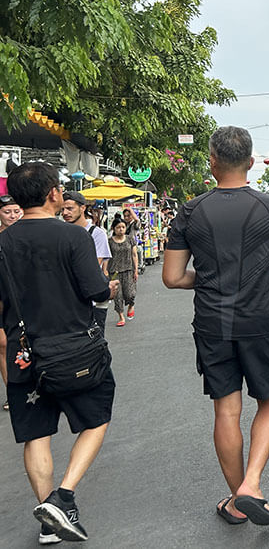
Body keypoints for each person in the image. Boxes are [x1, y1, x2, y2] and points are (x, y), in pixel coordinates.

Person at [163, 127, 269, 526]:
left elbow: (172, 277)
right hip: (259, 322)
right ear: (252, 161)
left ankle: (236, 499)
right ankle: (252, 485)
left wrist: (211, 275)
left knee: (226, 411)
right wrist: (260, 270)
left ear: (211, 162)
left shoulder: (190, 210)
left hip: (212, 324)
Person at [0, 162, 119, 543]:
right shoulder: (73, 237)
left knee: (37, 435)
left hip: (23, 353)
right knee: (96, 419)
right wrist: (110, 289)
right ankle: (63, 495)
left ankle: (49, 519)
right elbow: (96, 291)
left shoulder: (2, 242)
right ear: (53, 193)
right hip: (73, 352)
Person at [62, 191, 113, 329]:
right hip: (68, 301)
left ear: (82, 208)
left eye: (70, 208)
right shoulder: (62, 233)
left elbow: (93, 267)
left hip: (93, 301)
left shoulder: (96, 234)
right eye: (62, 209)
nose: (65, 213)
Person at [0, 194, 22, 412]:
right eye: (7, 212)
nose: (12, 216)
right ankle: (12, 391)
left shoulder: (25, 237)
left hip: (24, 299)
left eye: (16, 211)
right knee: (3, 344)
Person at [108, 218, 139, 327]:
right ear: (113, 228)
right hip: (114, 272)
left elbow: (134, 255)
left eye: (123, 227)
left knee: (130, 294)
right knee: (118, 296)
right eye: (118, 227)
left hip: (128, 270)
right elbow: (106, 257)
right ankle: (121, 317)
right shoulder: (110, 241)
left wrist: (136, 270)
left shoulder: (130, 239)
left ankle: (131, 304)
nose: (121, 229)